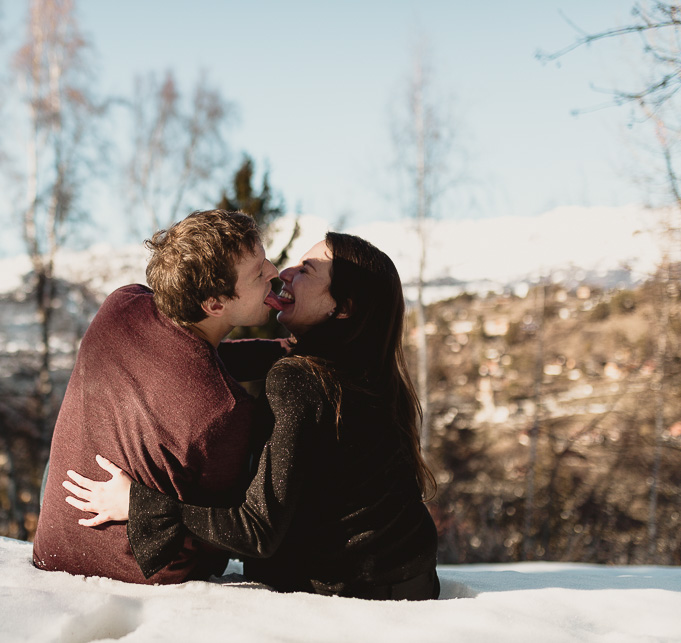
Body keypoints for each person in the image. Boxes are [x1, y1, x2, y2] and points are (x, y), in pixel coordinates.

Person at [63, 232, 441, 600]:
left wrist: (137, 503)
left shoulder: (299, 381)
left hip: (346, 595)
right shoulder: (366, 373)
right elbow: (205, 366)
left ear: (341, 307)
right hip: (416, 581)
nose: (284, 274)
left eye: (306, 271)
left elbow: (256, 530)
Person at [32, 210, 282, 584]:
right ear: (215, 304)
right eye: (259, 272)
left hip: (53, 550)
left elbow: (184, 361)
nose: (274, 272)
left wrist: (278, 350)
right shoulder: (226, 409)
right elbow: (217, 535)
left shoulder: (122, 306)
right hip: (145, 579)